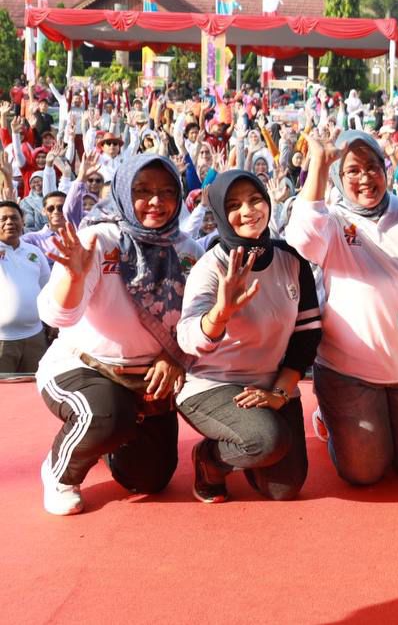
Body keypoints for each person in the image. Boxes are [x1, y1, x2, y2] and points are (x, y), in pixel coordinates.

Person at [36, 155, 200, 515]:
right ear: (124, 192)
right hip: (84, 367)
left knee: (150, 480)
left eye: (166, 192)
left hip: (149, 381)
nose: (156, 202)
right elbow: (56, 315)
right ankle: (60, 471)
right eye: (142, 191)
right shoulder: (98, 239)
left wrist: (175, 356)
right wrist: (73, 279)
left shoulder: (189, 251)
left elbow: (195, 324)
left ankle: (105, 443)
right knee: (107, 415)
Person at [285, 128, 398, 487]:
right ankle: (332, 422)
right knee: (365, 472)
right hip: (350, 372)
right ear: (338, 178)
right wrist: (318, 164)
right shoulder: (331, 221)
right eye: (352, 171)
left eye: (372, 167)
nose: (365, 178)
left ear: (385, 168)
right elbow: (300, 240)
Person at [177, 171, 321, 503]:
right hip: (211, 385)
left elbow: (306, 338)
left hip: (271, 382)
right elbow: (187, 338)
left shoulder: (291, 260)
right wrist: (221, 314)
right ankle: (210, 461)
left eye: (255, 199)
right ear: (219, 214)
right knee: (266, 441)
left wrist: (279, 394)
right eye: (234, 204)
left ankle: (248, 441)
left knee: (285, 488)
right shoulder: (210, 267)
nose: (248, 210)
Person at [0, 200, 50, 373]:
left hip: (35, 337)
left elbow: (47, 289)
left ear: (23, 221)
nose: (9, 222)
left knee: (33, 393)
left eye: (14, 217)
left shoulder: (34, 252)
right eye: (3, 219)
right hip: (3, 342)